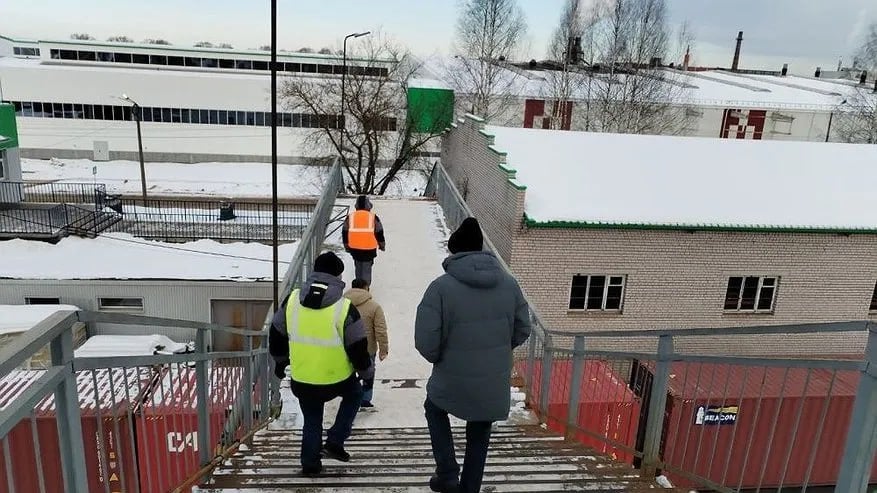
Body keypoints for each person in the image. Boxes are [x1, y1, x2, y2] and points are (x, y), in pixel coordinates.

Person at [415, 217, 531, 493]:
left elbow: (426, 340)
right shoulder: (509, 284)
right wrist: (498, 350)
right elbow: (523, 327)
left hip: (451, 376)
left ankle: (447, 473)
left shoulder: (440, 288)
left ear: (455, 252)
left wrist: (439, 357)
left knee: (434, 408)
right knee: (480, 429)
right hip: (492, 379)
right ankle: (469, 488)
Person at [269, 251, 374, 477]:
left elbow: (276, 332)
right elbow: (358, 345)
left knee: (312, 419)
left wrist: (280, 362)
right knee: (355, 393)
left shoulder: (292, 301)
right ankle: (336, 439)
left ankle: (310, 464)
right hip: (338, 379)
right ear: (338, 275)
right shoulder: (345, 307)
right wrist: (366, 372)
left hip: (303, 378)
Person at [344, 278, 389, 410]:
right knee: (368, 371)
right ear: (366, 288)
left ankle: (350, 396)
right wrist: (383, 349)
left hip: (346, 347)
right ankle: (365, 399)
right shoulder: (374, 306)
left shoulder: (341, 304)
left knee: (349, 372)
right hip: (367, 348)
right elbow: (381, 330)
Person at [342, 195, 385, 285]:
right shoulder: (373, 217)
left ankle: (357, 286)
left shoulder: (350, 217)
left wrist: (346, 246)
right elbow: (379, 232)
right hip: (369, 249)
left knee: (358, 267)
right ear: (368, 205)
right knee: (366, 269)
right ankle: (364, 289)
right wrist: (382, 245)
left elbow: (345, 232)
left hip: (354, 248)